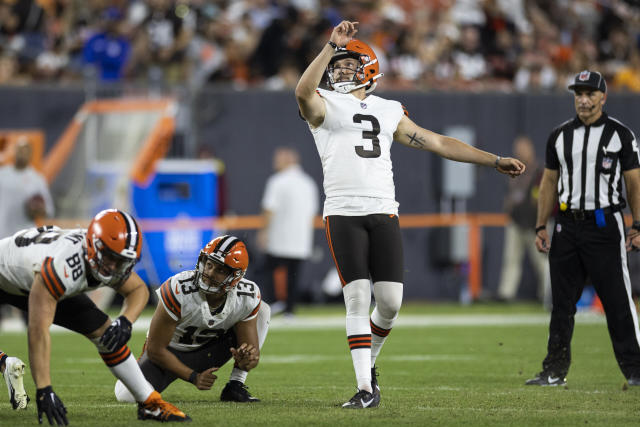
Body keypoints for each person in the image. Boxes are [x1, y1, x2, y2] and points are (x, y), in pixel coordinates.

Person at [294, 20, 526, 408]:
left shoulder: (388, 110)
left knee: (390, 303)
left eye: (348, 65)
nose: (340, 70)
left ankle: (371, 368)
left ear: (369, 70)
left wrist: (493, 161)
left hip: (384, 210)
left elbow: (436, 141)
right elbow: (302, 91)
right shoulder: (324, 102)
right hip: (343, 211)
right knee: (357, 297)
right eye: (338, 65)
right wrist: (329, 48)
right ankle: (365, 388)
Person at [0, 209, 191, 424]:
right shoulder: (62, 266)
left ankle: (150, 403)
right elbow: (38, 332)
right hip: (13, 276)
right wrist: (44, 389)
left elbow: (138, 290)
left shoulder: (102, 257)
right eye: (110, 257)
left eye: (121, 261)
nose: (113, 266)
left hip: (30, 279)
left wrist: (125, 320)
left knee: (106, 333)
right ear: (93, 247)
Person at [528, 70, 640, 386]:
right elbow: (549, 181)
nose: (583, 99)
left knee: (618, 300)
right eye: (578, 94)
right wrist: (541, 225)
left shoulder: (620, 134)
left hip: (605, 223)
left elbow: (634, 181)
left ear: (603, 97)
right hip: (566, 224)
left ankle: (635, 369)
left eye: (590, 93)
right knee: (561, 303)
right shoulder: (560, 136)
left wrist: (637, 224)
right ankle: (554, 370)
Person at [114, 234, 270, 403]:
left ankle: (236, 385)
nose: (210, 273)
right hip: (170, 353)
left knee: (262, 309)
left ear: (236, 276)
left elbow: (250, 358)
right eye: (209, 264)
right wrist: (193, 377)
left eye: (220, 270)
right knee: (127, 396)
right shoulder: (179, 288)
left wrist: (247, 359)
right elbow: (155, 349)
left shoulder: (246, 295)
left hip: (211, 349)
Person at [258, 147, 319, 315]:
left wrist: (264, 231)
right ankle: (289, 308)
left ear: (288, 160)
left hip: (279, 237)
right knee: (293, 274)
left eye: (278, 159)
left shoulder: (277, 181)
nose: (275, 162)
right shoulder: (308, 183)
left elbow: (270, 208)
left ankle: (274, 301)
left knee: (266, 269)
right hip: (301, 238)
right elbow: (313, 210)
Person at [496, 135, 549, 303]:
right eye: (517, 149)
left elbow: (544, 195)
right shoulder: (514, 170)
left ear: (530, 149)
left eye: (522, 148)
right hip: (516, 221)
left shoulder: (539, 170)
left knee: (541, 260)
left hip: (534, 222)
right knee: (511, 260)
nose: (519, 152)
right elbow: (511, 195)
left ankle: (548, 293)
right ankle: (506, 294)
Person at [0, 137, 54, 239]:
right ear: (15, 151)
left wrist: (38, 209)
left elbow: (49, 210)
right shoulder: (2, 174)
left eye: (25, 151)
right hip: (2, 233)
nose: (22, 153)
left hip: (24, 236)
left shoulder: (37, 179)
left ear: (31, 154)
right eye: (20, 150)